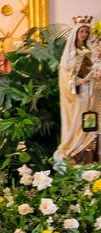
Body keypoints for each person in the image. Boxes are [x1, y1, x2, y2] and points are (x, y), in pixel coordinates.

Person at [54, 19, 98, 163]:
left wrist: (94, 74)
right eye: (82, 31)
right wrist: (77, 81)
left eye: (86, 32)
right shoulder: (70, 53)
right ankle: (73, 149)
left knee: (91, 121)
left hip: (91, 92)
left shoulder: (90, 51)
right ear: (76, 33)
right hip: (78, 92)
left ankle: (88, 154)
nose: (84, 35)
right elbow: (65, 76)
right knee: (77, 120)